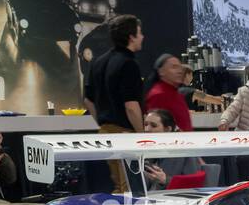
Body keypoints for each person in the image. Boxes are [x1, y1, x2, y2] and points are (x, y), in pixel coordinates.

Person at [84, 13, 144, 193]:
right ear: (131, 37)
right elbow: (131, 106)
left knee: (119, 184)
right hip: (126, 133)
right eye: (140, 33)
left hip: (105, 131)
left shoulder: (97, 62)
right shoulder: (129, 64)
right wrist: (141, 134)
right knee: (129, 187)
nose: (142, 37)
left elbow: (88, 100)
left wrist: (103, 122)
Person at [141, 109, 204, 191]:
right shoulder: (145, 152)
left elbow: (194, 184)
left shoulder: (182, 153)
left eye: (153, 125)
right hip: (147, 199)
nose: (147, 129)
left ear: (167, 129)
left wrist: (165, 180)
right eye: (145, 125)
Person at [144, 53, 194, 132]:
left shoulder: (176, 93)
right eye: (174, 67)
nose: (180, 71)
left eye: (180, 67)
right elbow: (154, 128)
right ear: (161, 72)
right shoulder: (158, 95)